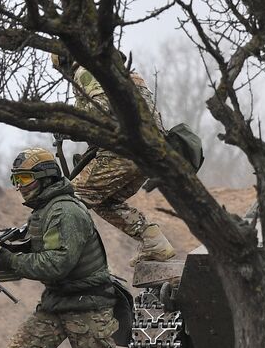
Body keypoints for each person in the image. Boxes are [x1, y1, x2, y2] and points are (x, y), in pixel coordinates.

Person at [0, 147, 141, 348]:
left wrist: (11, 261)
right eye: (15, 179)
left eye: (24, 178)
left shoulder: (66, 211)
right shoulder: (45, 211)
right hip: (58, 303)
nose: (19, 185)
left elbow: (58, 263)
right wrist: (9, 250)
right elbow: (44, 253)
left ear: (44, 178)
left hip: (89, 307)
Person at [54, 55, 176, 265]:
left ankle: (68, 260)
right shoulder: (120, 72)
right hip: (150, 152)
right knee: (104, 200)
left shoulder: (86, 70)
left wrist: (66, 122)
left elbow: (101, 110)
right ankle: (152, 239)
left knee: (70, 198)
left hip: (124, 149)